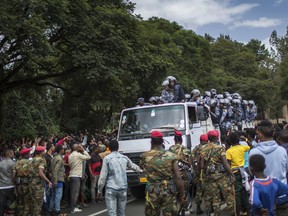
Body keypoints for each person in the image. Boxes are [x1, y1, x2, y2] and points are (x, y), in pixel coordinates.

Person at [140, 131, 186, 216]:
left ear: (151, 142)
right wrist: (182, 194)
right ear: (162, 142)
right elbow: (178, 177)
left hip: (152, 191)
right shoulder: (171, 156)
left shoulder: (144, 156)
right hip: (168, 190)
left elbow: (142, 167)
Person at [97, 139, 142, 216]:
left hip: (111, 188)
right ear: (118, 147)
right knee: (121, 212)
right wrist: (142, 171)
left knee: (112, 213)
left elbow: (103, 176)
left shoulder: (107, 159)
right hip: (123, 188)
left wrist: (99, 189)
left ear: (109, 148)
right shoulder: (124, 158)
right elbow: (133, 166)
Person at [200, 130, 235, 216]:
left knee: (216, 199)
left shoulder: (203, 149)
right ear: (216, 138)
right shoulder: (220, 148)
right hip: (222, 177)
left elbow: (201, 165)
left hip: (211, 178)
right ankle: (234, 214)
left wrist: (206, 172)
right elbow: (225, 163)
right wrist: (231, 174)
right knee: (229, 198)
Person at [249, 120, 288, 184]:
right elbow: (286, 170)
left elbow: (252, 172)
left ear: (260, 135)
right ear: (273, 133)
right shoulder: (282, 151)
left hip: (263, 189)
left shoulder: (253, 152)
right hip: (282, 189)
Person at [226, 132, 250, 215]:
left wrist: (229, 175)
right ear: (238, 140)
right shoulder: (242, 148)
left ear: (229, 141)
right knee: (245, 193)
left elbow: (228, 165)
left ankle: (238, 213)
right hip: (243, 172)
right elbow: (252, 146)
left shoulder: (229, 151)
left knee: (237, 195)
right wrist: (245, 139)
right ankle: (249, 212)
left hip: (235, 174)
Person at [169, 131, 192, 214]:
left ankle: (175, 210)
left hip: (174, 175)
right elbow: (190, 164)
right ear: (181, 139)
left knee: (174, 193)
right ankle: (186, 209)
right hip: (184, 174)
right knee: (185, 192)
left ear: (174, 139)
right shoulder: (186, 150)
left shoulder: (171, 149)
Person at [28, 146, 52, 216]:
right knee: (38, 204)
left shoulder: (32, 159)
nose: (45, 152)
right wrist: (48, 181)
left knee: (33, 202)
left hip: (31, 183)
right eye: (44, 151)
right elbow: (40, 173)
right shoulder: (41, 160)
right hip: (38, 184)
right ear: (42, 152)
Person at [68, 142, 91, 213]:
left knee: (73, 192)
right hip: (76, 175)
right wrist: (83, 150)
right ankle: (73, 208)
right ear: (77, 148)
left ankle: (73, 207)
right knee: (75, 193)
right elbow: (88, 157)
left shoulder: (70, 155)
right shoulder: (78, 155)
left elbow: (69, 165)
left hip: (71, 175)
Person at [191, 134, 208, 215]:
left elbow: (191, 159)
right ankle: (209, 208)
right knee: (208, 190)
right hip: (206, 172)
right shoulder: (208, 147)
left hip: (197, 173)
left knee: (199, 190)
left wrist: (194, 169)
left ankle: (198, 208)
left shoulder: (196, 149)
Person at [13, 148, 31, 216]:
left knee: (20, 201)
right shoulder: (29, 162)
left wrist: (15, 182)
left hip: (18, 184)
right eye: (28, 153)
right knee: (27, 201)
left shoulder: (17, 163)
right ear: (26, 155)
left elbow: (13, 175)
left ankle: (20, 213)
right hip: (26, 183)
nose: (29, 155)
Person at [50, 144, 66, 216]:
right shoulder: (59, 158)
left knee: (53, 195)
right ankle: (57, 211)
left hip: (53, 179)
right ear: (60, 150)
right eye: (63, 149)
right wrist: (56, 181)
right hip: (58, 180)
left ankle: (50, 210)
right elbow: (56, 170)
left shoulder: (53, 158)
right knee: (58, 196)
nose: (63, 150)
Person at [0, 148, 16, 216]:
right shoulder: (13, 163)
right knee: (11, 205)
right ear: (9, 154)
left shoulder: (0, 163)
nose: (13, 154)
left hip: (2, 186)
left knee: (2, 204)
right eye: (12, 153)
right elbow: (14, 175)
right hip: (11, 185)